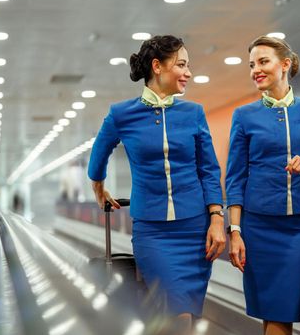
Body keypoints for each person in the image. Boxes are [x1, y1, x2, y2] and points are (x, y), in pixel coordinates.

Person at [88, 35, 226, 330]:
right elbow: (98, 157)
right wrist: (98, 189)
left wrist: (216, 218)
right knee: (177, 312)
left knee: (183, 312)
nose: (188, 72)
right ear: (157, 66)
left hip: (196, 229)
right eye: (181, 65)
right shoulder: (122, 114)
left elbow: (209, 169)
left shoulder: (193, 113)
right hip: (153, 233)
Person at [225, 35, 300, 335]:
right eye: (252, 65)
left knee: (282, 311)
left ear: (285, 64)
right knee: (272, 313)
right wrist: (235, 232)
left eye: (263, 62)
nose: (255, 70)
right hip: (257, 229)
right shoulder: (244, 116)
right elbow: (235, 178)